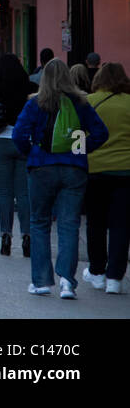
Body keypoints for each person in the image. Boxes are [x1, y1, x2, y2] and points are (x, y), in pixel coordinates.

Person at [14, 59, 110, 298]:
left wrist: (33, 153)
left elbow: (19, 135)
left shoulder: (36, 103)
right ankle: (67, 281)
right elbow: (101, 133)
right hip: (74, 169)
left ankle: (41, 281)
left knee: (39, 223)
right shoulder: (81, 103)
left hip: (41, 167)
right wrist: (80, 148)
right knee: (69, 224)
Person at [82, 62, 130, 294]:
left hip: (95, 170)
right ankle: (115, 278)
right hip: (126, 171)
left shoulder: (89, 102)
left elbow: (79, 135)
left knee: (96, 223)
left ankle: (97, 271)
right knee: (122, 225)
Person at [0, 54, 33, 258]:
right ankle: (27, 236)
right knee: (24, 194)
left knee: (4, 193)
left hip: (0, 143)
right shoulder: (31, 88)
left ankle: (5, 236)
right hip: (24, 143)